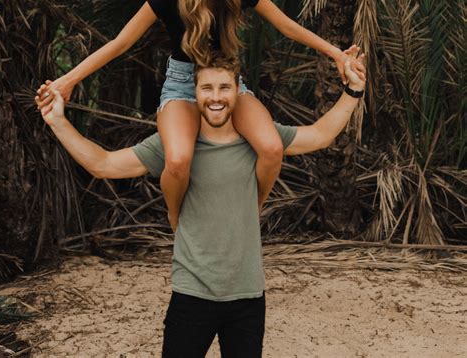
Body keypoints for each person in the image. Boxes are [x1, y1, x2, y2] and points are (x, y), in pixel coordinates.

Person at [36, 50, 366, 358]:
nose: (216, 97)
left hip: (248, 296)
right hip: (192, 295)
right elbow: (104, 164)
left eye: (224, 87)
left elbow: (321, 134)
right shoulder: (175, 145)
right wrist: (58, 122)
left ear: (238, 90)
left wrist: (353, 91)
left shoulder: (259, 140)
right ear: (194, 93)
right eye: (206, 88)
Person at [37, 0, 364, 231]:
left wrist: (337, 54)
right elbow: (121, 43)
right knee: (177, 160)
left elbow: (287, 26)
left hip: (228, 84)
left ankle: (252, 211)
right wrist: (69, 80)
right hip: (182, 84)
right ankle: (177, 220)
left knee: (271, 148)